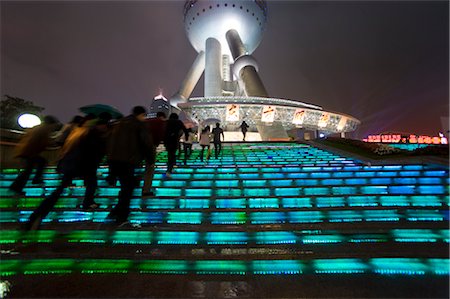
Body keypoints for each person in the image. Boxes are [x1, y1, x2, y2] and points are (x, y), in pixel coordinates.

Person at [25, 114, 111, 230]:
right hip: (80, 166)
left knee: (60, 191)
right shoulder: (91, 135)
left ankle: (37, 215)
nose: (106, 128)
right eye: (105, 125)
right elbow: (92, 152)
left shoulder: (80, 132)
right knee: (86, 185)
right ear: (100, 125)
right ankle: (38, 215)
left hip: (75, 166)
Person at [106, 106, 153, 225]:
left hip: (115, 160)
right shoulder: (138, 125)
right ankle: (122, 217)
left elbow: (110, 142)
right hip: (129, 161)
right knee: (128, 188)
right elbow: (146, 142)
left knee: (125, 187)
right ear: (141, 115)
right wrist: (150, 158)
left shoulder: (119, 123)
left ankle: (116, 211)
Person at [9, 115, 60, 195]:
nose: (54, 127)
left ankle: (17, 187)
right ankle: (34, 180)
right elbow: (44, 141)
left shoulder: (38, 128)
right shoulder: (44, 129)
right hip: (29, 152)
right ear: (50, 123)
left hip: (26, 151)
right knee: (39, 164)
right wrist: (54, 145)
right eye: (54, 125)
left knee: (29, 170)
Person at [142, 112, 166, 197]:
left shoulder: (147, 121)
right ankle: (146, 190)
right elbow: (160, 134)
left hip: (140, 147)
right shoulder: (159, 122)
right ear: (162, 117)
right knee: (150, 168)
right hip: (150, 146)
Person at [164, 113, 187, 177]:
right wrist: (186, 137)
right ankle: (168, 171)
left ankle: (171, 169)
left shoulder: (166, 122)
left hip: (167, 141)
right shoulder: (178, 122)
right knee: (172, 155)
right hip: (174, 141)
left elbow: (163, 131)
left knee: (170, 155)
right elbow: (185, 130)